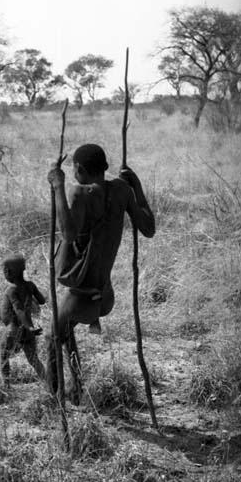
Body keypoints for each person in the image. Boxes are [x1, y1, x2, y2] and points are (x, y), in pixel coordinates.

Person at [46, 143, 155, 404]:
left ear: (79, 169)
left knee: (52, 337)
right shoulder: (121, 190)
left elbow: (68, 234)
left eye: (73, 169)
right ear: (104, 168)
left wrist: (58, 186)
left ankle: (55, 399)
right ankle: (75, 389)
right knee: (65, 331)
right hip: (105, 298)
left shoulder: (80, 193)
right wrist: (136, 188)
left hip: (80, 298)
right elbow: (149, 228)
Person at [0, 254, 46, 388]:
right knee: (33, 359)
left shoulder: (11, 290)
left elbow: (18, 309)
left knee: (3, 355)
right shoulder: (30, 285)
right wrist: (30, 289)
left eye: (4, 270)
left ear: (8, 272)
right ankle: (48, 381)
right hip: (28, 329)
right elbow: (42, 300)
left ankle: (6, 385)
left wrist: (30, 327)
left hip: (14, 328)